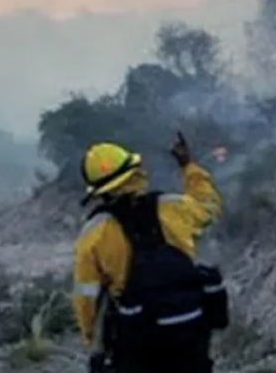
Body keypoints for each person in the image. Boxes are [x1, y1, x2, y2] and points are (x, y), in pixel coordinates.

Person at [72, 133, 223, 373]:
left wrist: (95, 344)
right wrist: (188, 166)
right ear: (135, 171)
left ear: (98, 190)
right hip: (189, 327)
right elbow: (209, 207)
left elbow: (87, 299)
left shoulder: (93, 234)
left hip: (136, 336)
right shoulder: (172, 207)